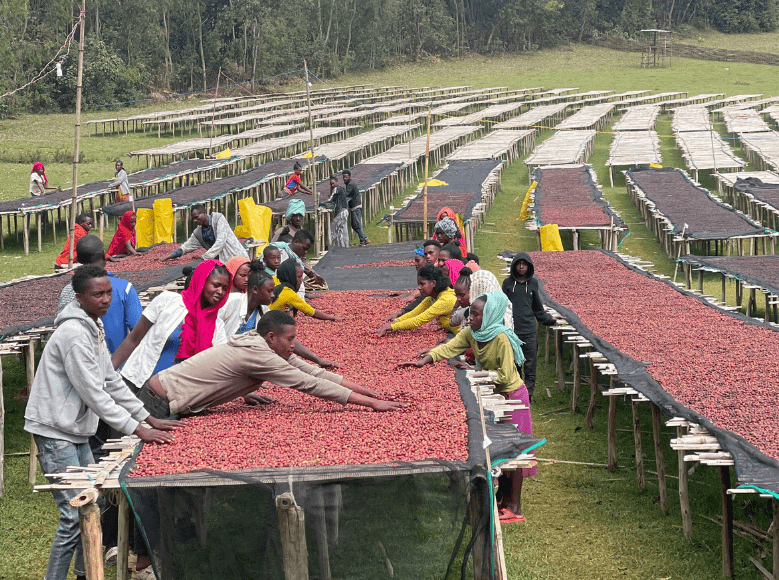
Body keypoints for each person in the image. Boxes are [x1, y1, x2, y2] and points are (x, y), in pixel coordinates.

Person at [25, 265, 181, 580]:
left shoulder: (92, 327)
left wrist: (147, 415)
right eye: (98, 294)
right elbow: (95, 394)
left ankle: (85, 574)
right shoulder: (72, 334)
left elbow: (111, 379)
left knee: (90, 505)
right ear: (79, 297)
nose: (106, 299)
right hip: (56, 433)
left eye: (108, 292)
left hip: (74, 431)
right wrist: (138, 429)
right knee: (73, 515)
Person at [399, 291, 533, 523]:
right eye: (471, 313)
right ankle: (502, 499)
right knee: (502, 450)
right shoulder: (473, 333)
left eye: (477, 314)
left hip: (512, 394)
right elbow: (449, 348)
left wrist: (473, 372)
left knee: (514, 451)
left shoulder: (500, 338)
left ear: (490, 315)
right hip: (496, 392)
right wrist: (425, 360)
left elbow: (505, 375)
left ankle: (515, 507)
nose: (471, 318)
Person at [137, 310, 408, 418]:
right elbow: (308, 384)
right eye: (290, 339)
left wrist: (367, 391)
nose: (293, 345)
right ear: (271, 337)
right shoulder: (261, 355)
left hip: (168, 394)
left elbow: (313, 371)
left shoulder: (265, 346)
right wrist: (370, 405)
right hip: (160, 400)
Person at [112, 261, 230, 390]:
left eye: (225, 288)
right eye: (216, 285)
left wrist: (241, 392)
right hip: (139, 384)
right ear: (201, 281)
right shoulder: (168, 301)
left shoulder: (217, 324)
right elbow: (133, 339)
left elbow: (223, 364)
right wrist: (107, 374)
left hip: (176, 396)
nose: (221, 292)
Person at [235, 266, 339, 369]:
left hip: (247, 357)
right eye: (269, 291)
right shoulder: (232, 304)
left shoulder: (264, 310)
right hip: (228, 358)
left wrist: (318, 361)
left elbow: (283, 338)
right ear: (255, 289)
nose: (272, 295)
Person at [58, 235, 143, 353]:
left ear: (78, 259)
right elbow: (138, 333)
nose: (105, 300)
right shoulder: (124, 288)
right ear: (104, 255)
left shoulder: (68, 290)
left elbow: (64, 332)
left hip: (80, 360)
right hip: (116, 365)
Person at [502, 252, 557, 402]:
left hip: (529, 331)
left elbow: (537, 308)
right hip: (513, 332)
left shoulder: (533, 284)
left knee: (530, 365)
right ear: (514, 266)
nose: (521, 267)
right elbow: (503, 307)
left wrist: (551, 320)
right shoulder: (507, 284)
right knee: (515, 365)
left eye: (524, 264)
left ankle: (528, 396)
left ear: (529, 266)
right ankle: (518, 393)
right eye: (518, 264)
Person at [376, 264, 459, 336]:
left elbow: (418, 320)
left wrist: (391, 327)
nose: (419, 288)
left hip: (461, 334)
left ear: (433, 283)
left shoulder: (445, 299)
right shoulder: (432, 297)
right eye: (418, 284)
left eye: (422, 284)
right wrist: (395, 321)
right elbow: (414, 313)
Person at [163, 204, 248, 264]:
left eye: (196, 217)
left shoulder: (218, 219)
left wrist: (206, 256)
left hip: (237, 257)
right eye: (193, 219)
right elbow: (185, 248)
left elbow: (220, 241)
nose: (195, 220)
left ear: (204, 213)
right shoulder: (199, 233)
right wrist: (168, 257)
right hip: (223, 264)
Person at [268, 258, 343, 321]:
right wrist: (333, 317)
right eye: (299, 277)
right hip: (267, 321)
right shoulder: (289, 293)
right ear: (290, 276)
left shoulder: (272, 279)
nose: (302, 280)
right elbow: (313, 312)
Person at [218, 256, 252, 336]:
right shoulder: (221, 297)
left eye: (249, 276)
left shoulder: (250, 296)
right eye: (243, 275)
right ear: (232, 274)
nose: (247, 279)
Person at [343, 169, 369, 246]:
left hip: (356, 207)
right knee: (354, 225)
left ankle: (362, 242)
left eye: (346, 177)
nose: (344, 178)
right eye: (343, 177)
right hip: (354, 206)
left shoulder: (350, 184)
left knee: (357, 225)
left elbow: (345, 194)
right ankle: (365, 239)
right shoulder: (349, 183)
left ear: (349, 177)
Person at [322, 175, 349, 248]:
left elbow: (330, 199)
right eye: (331, 184)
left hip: (342, 212)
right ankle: (344, 246)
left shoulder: (337, 189)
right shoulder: (341, 189)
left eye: (333, 183)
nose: (332, 185)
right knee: (342, 230)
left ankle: (329, 245)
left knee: (332, 228)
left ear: (337, 182)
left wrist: (321, 203)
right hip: (345, 211)